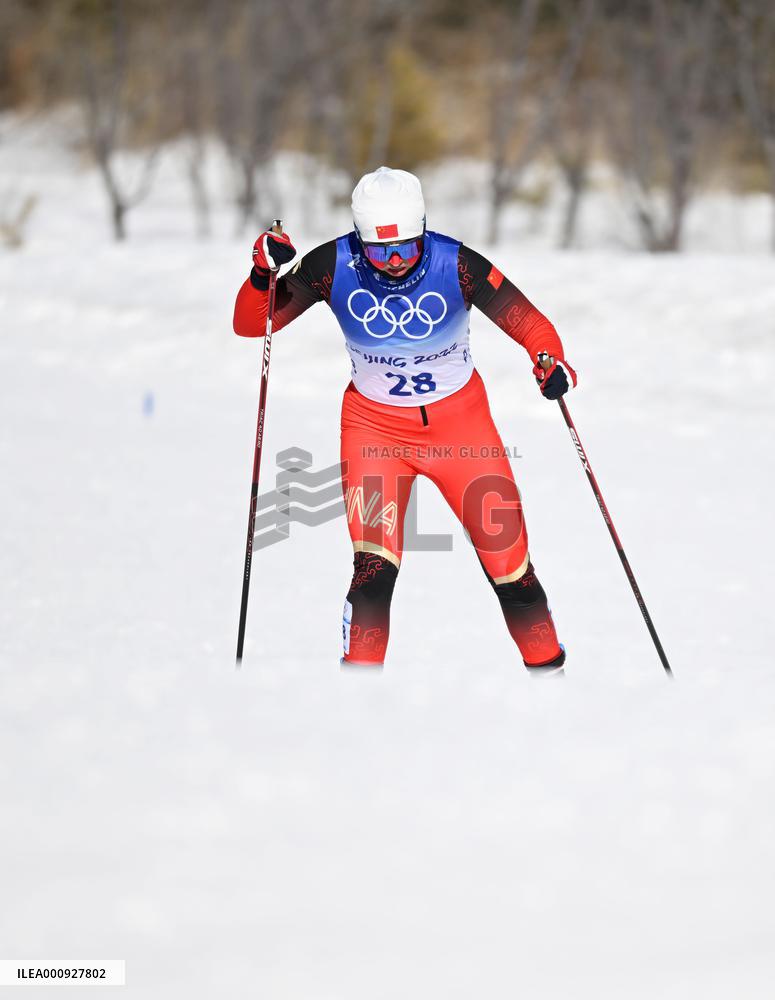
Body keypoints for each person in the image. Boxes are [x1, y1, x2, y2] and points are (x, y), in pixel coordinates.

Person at [233, 166, 576, 675]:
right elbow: (251, 324)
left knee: (511, 570)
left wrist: (549, 360)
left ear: (423, 228)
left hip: (461, 430)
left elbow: (529, 321)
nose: (393, 261)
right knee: (372, 572)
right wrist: (264, 274)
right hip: (374, 432)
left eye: (405, 247)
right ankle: (360, 708)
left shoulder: (455, 263)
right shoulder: (333, 264)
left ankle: (554, 686)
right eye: (378, 250)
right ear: (358, 238)